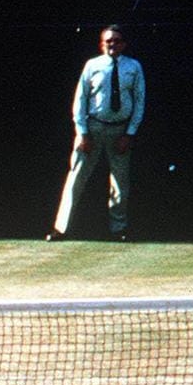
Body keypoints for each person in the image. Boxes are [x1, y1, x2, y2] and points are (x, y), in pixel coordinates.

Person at [47, 25, 145, 242]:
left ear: (124, 44)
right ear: (102, 44)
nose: (113, 44)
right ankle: (61, 228)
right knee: (76, 178)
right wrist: (82, 132)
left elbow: (139, 101)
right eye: (109, 41)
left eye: (117, 41)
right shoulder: (92, 65)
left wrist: (129, 133)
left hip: (120, 130)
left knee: (120, 182)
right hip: (93, 128)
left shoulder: (133, 67)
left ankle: (118, 229)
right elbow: (80, 99)